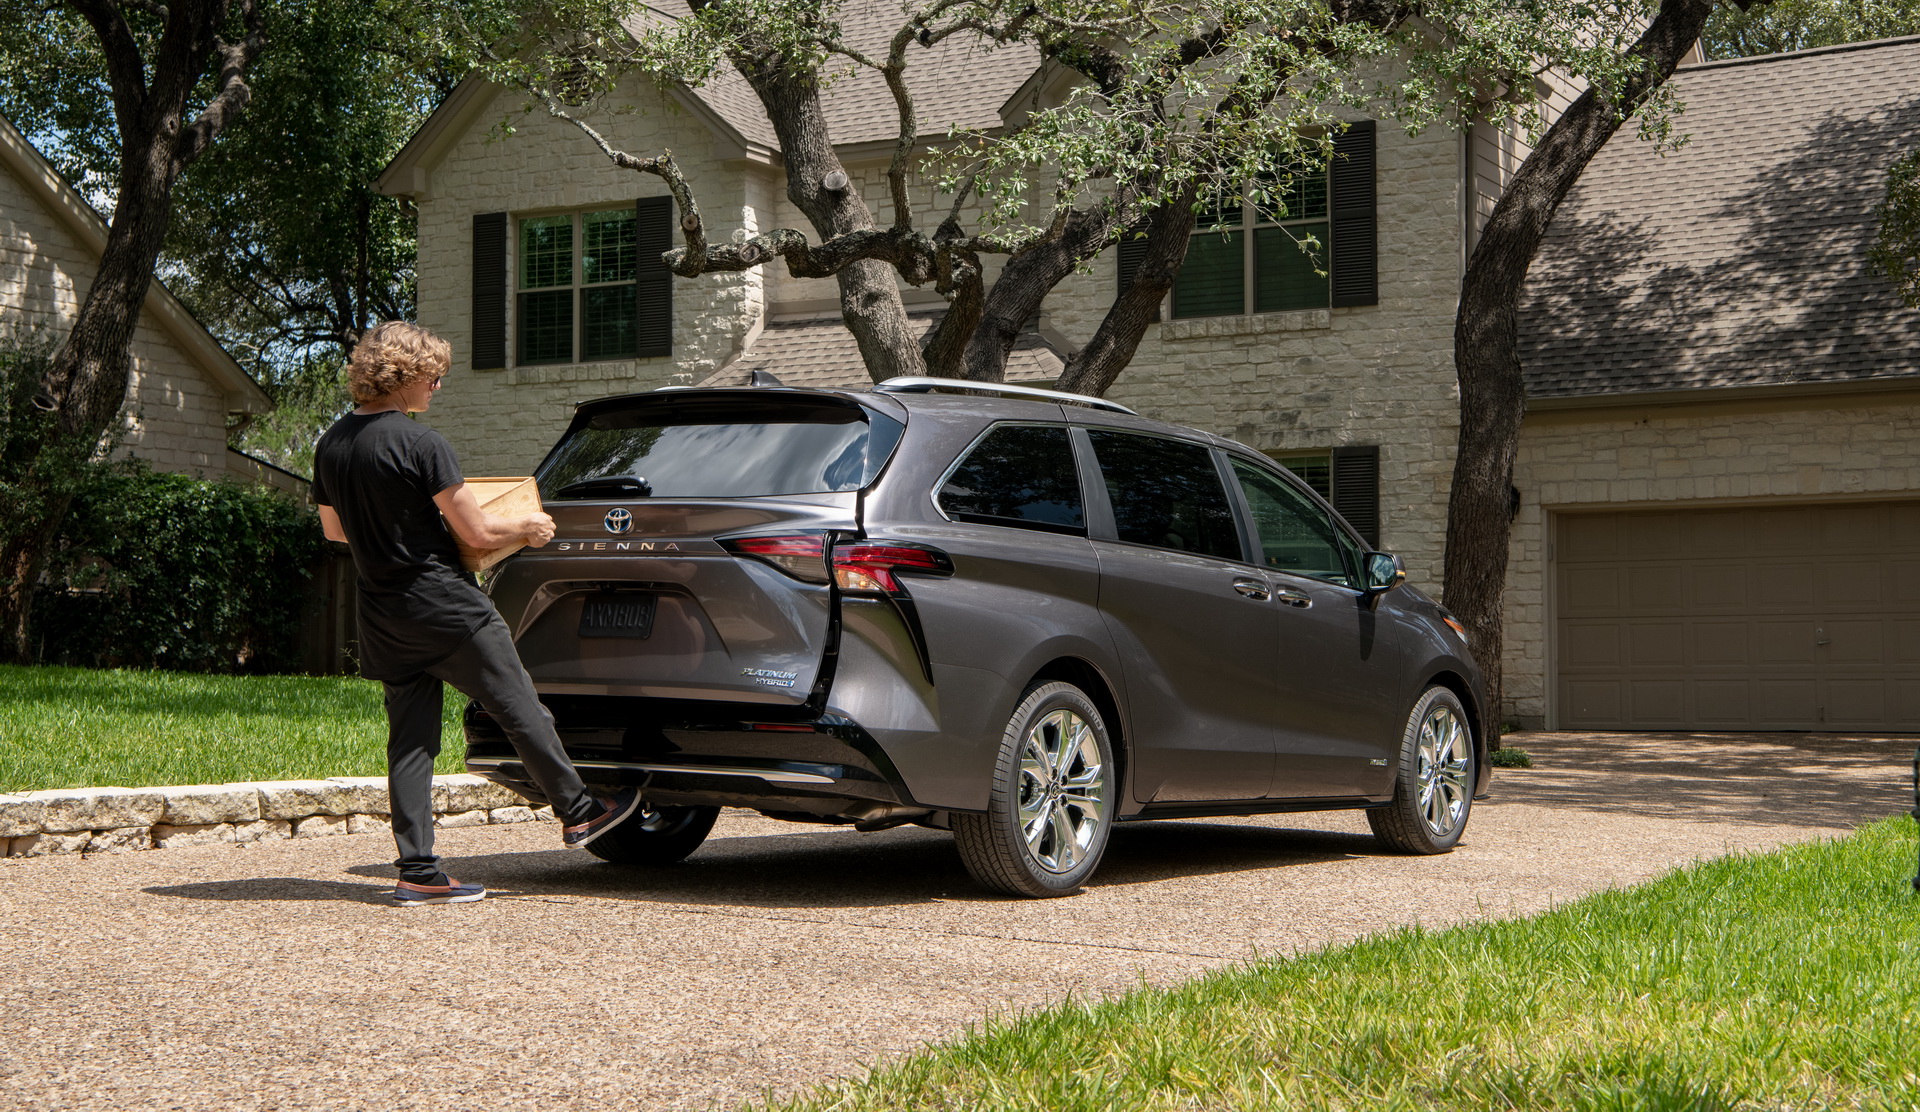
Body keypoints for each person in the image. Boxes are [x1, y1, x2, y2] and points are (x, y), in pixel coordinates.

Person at [311, 321, 642, 907]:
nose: (438, 385)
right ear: (404, 374)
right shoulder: (421, 444)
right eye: (433, 374)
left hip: (383, 611)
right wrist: (530, 527)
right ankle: (581, 810)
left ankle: (417, 869)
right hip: (446, 605)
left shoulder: (332, 444)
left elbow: (335, 531)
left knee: (411, 742)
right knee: (520, 707)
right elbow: (479, 528)